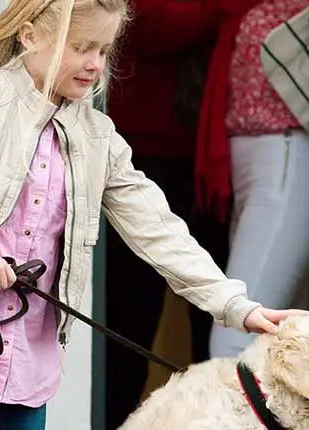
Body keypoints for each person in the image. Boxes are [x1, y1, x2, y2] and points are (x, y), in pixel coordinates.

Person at [0, 0, 302, 428]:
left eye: (104, 50)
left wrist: (234, 305)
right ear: (30, 35)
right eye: (80, 47)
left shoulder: (99, 135)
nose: (94, 64)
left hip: (31, 341)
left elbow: (157, 227)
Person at [191, 0, 309, 358]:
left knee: (235, 335)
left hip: (286, 163)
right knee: (281, 346)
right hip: (247, 168)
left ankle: (228, 415)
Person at [101, 0, 227, 426]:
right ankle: (116, 418)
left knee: (211, 306)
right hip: (143, 152)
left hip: (205, 161)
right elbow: (147, 26)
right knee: (131, 316)